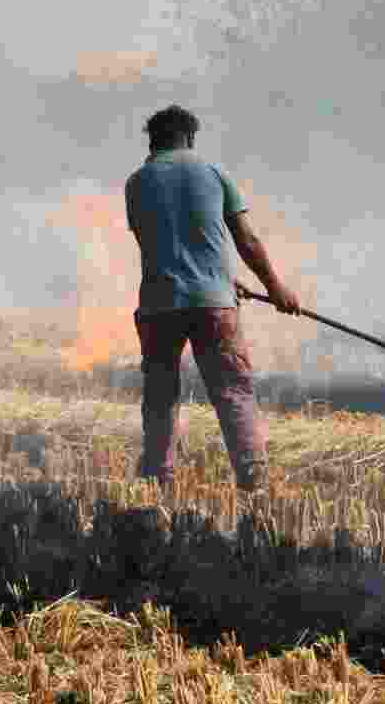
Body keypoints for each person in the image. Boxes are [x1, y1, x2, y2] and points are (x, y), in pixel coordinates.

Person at [124, 105, 302, 493]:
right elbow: (246, 240)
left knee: (160, 395)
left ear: (153, 141)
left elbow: (158, 245)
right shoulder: (212, 172)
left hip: (159, 305)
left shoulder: (136, 183)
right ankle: (254, 483)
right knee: (232, 391)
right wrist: (275, 289)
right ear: (190, 138)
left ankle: (157, 481)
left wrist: (220, 278)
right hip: (213, 304)